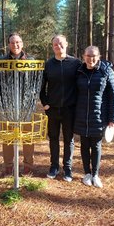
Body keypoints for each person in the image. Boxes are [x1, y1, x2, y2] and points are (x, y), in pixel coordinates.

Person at [74, 45, 114, 188]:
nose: (91, 59)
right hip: (82, 114)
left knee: (96, 145)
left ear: (98, 57)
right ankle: (86, 173)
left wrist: (113, 119)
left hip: (99, 115)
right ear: (84, 56)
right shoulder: (79, 71)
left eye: (94, 56)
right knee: (84, 145)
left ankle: (95, 175)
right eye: (88, 56)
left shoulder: (106, 71)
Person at [40, 34, 82, 181]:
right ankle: (54, 166)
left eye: (61, 43)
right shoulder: (48, 64)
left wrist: (110, 74)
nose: (58, 46)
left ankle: (68, 168)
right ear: (53, 47)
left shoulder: (76, 63)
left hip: (70, 109)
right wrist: (45, 103)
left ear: (67, 44)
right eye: (55, 44)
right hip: (52, 109)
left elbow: (90, 73)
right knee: (53, 138)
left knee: (69, 139)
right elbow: (41, 86)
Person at [0, 32, 35, 176]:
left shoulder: (30, 60)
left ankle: (28, 166)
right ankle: (8, 166)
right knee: (8, 137)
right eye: (12, 43)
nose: (15, 45)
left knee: (27, 137)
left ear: (22, 44)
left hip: (26, 106)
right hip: (8, 107)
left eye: (18, 42)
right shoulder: (1, 61)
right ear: (8, 45)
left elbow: (37, 82)